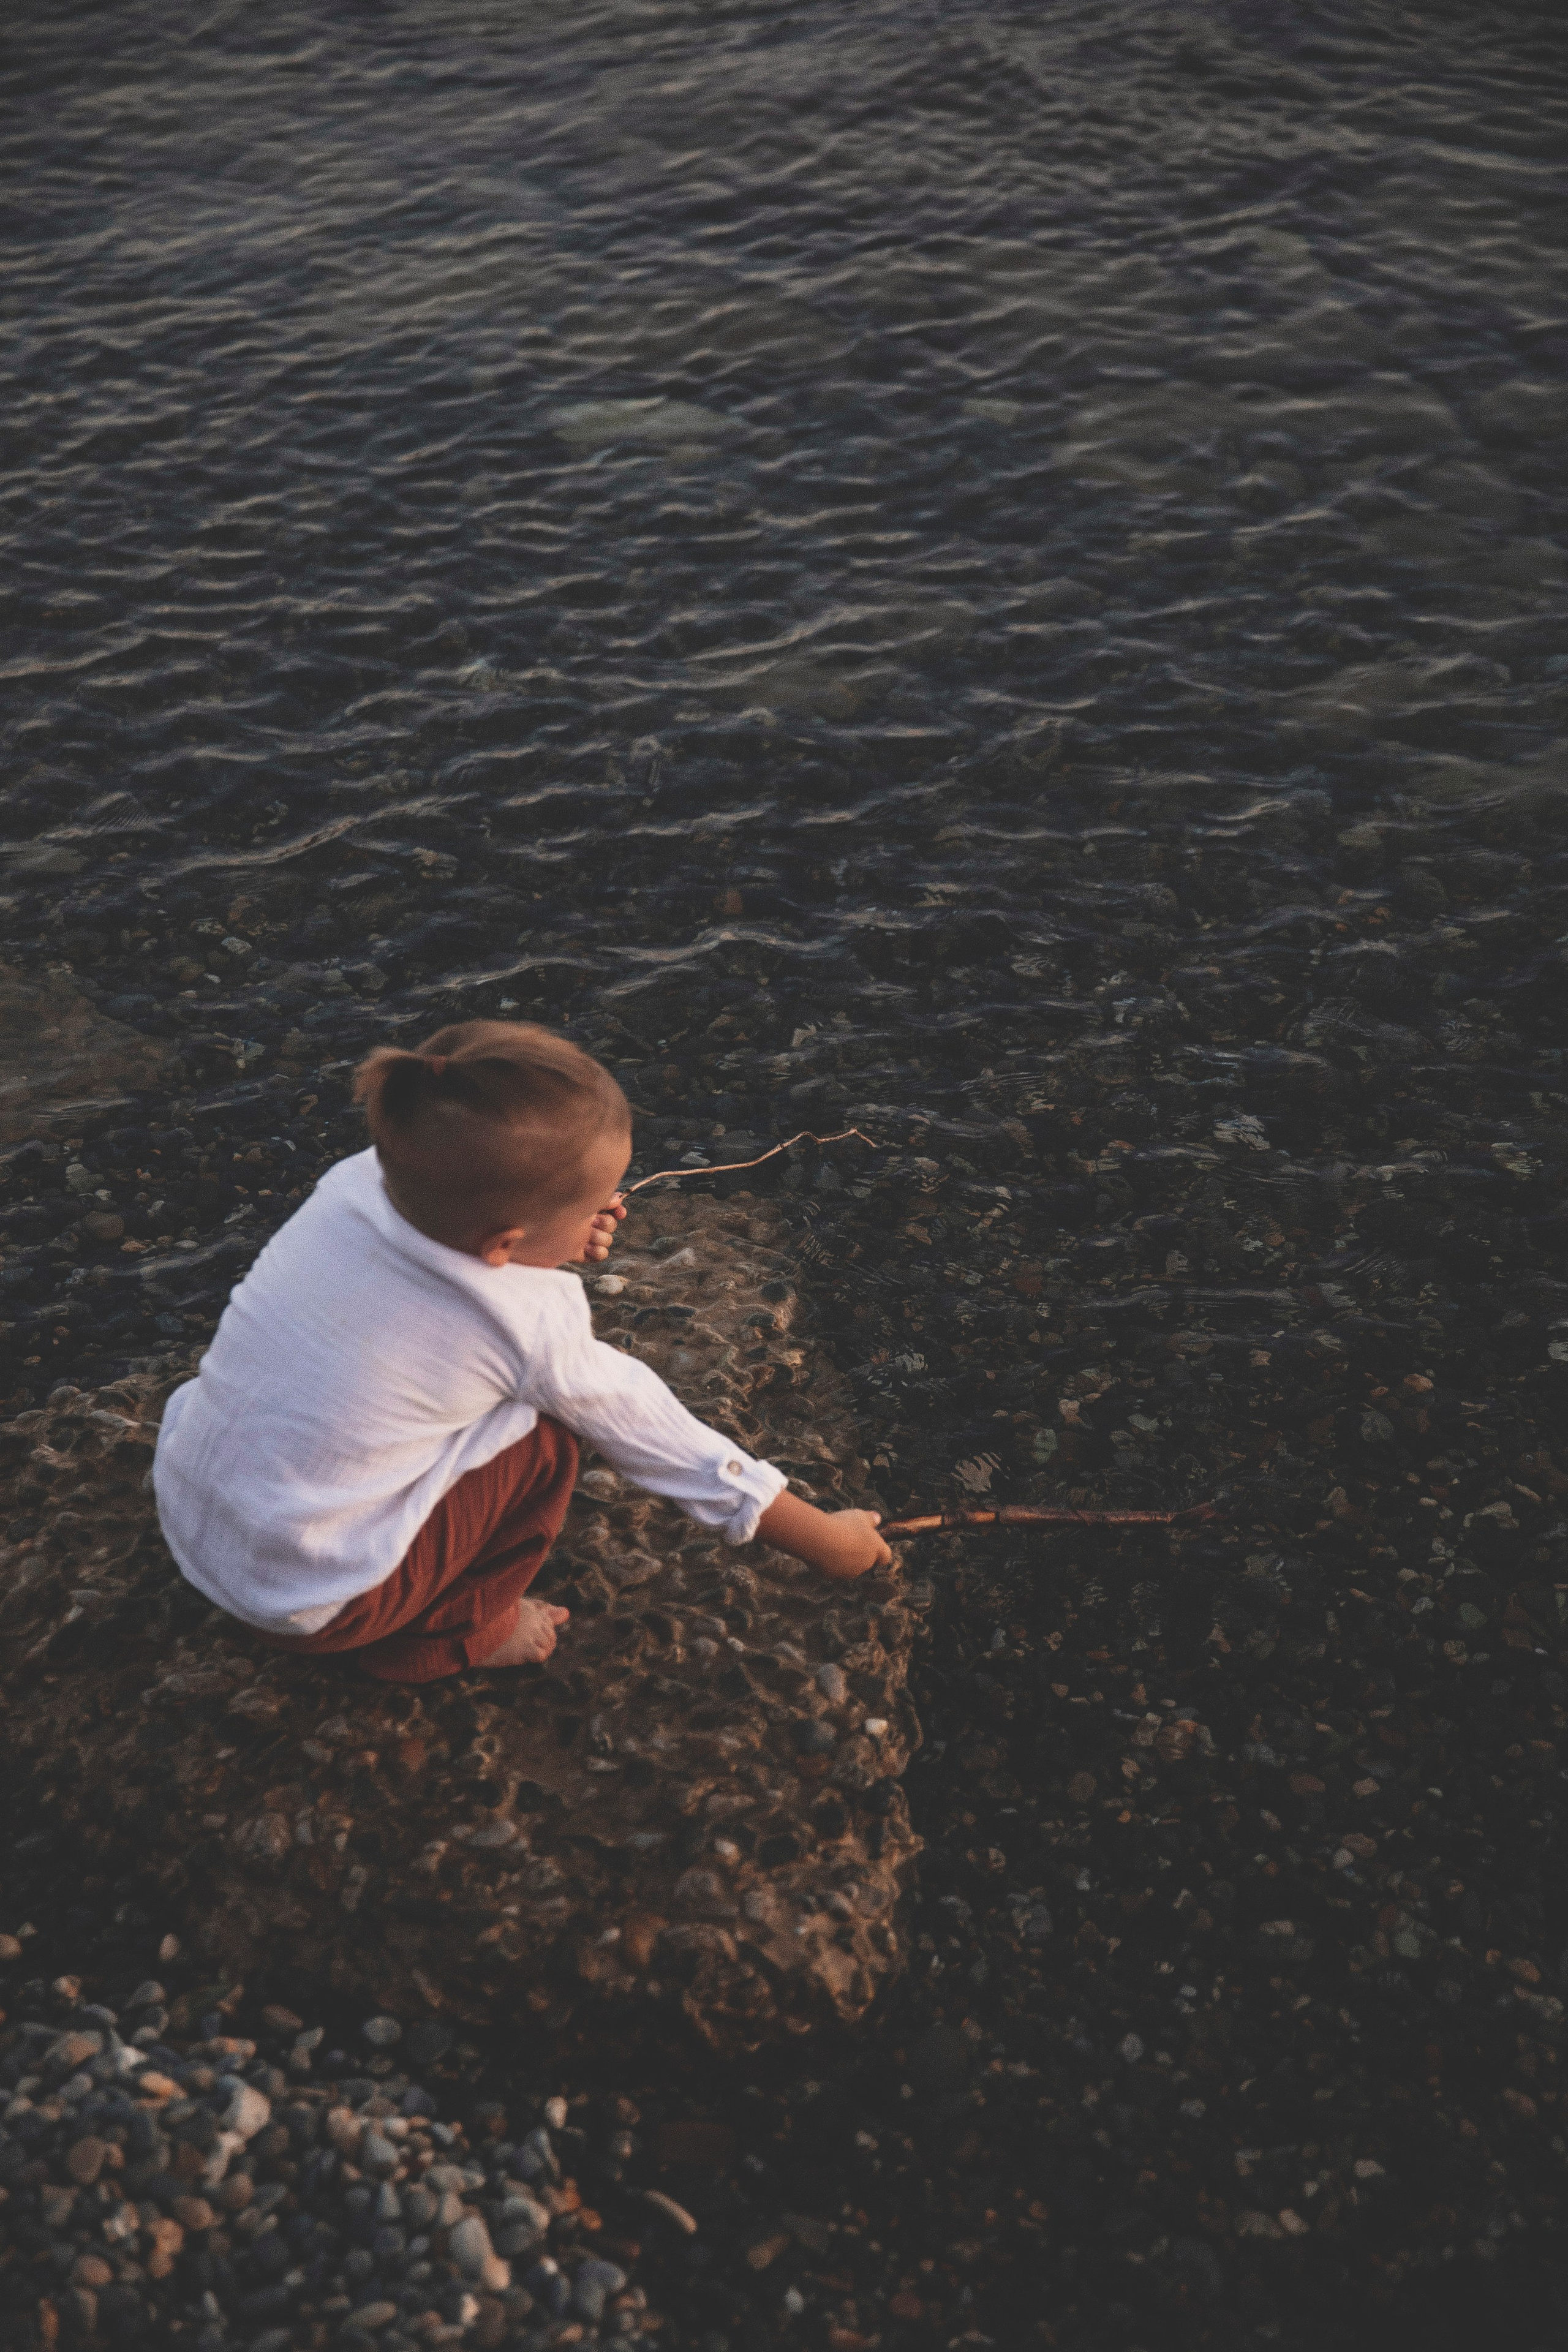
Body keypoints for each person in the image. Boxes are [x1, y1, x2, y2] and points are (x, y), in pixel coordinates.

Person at [152, 1019, 891, 1681]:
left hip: (195, 1517)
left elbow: (460, 1267)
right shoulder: (529, 1325)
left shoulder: (353, 1185)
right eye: (595, 1203)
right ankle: (455, 1635)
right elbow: (669, 1448)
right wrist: (828, 1540)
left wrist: (551, 1237)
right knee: (545, 1441)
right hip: (320, 1607)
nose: (609, 1212)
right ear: (503, 1243)